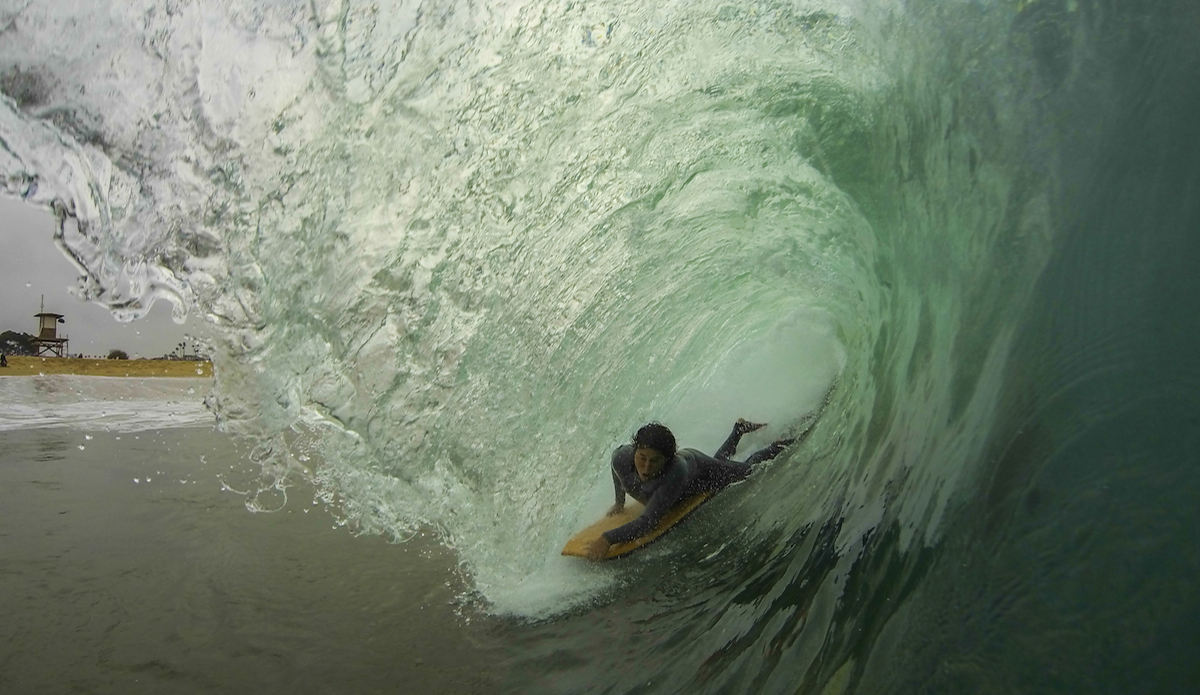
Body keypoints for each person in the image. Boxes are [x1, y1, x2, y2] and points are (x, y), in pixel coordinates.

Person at [585, 419, 796, 559]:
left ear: (667, 460)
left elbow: (648, 522)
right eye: (642, 458)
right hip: (693, 468)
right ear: (635, 452)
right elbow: (617, 474)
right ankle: (738, 430)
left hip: (700, 473)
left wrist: (608, 538)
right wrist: (619, 503)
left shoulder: (676, 471)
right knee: (720, 460)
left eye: (655, 461)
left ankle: (775, 446)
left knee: (747, 470)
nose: (646, 467)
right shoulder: (621, 457)